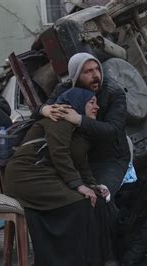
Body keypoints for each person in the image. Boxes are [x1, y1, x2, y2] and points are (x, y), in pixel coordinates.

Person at [4, 88, 116, 266]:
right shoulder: (59, 118)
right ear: (78, 103)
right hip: (26, 176)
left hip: (48, 174)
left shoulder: (79, 130)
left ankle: (99, 259)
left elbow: (81, 163)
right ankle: (66, 260)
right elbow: (59, 153)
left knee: (98, 201)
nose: (97, 106)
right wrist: (79, 186)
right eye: (92, 102)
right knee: (79, 203)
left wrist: (93, 185)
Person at [32, 52, 129, 199]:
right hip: (79, 159)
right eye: (88, 71)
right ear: (76, 75)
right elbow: (40, 113)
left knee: (100, 199)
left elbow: (113, 131)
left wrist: (79, 119)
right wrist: (43, 109)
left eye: (97, 69)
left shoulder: (113, 93)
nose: (96, 75)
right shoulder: (64, 90)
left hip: (109, 159)